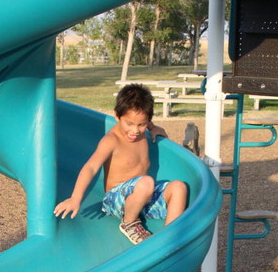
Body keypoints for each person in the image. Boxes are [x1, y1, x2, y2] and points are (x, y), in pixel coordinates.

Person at [54, 84, 188, 244]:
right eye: (129, 123)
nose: (135, 131)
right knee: (146, 182)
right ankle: (129, 223)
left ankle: (169, 238)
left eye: (142, 124)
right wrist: (75, 198)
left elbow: (144, 122)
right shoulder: (112, 140)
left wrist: (153, 127)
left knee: (179, 187)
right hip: (116, 200)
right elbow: (91, 167)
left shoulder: (143, 129)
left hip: (142, 197)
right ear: (117, 116)